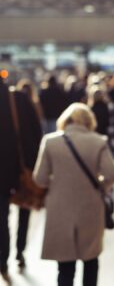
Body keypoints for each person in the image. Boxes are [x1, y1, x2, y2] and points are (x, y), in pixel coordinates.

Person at [33, 103, 114, 286]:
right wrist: (100, 186)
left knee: (65, 265)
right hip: (90, 206)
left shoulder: (50, 141)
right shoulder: (98, 141)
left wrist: (56, 184)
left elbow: (40, 178)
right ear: (89, 121)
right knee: (91, 259)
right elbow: (112, 174)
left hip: (60, 207)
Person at [0, 77, 42, 282]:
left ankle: (3, 260)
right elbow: (36, 133)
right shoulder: (18, 99)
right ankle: (19, 251)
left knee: (2, 218)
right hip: (20, 169)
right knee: (24, 211)